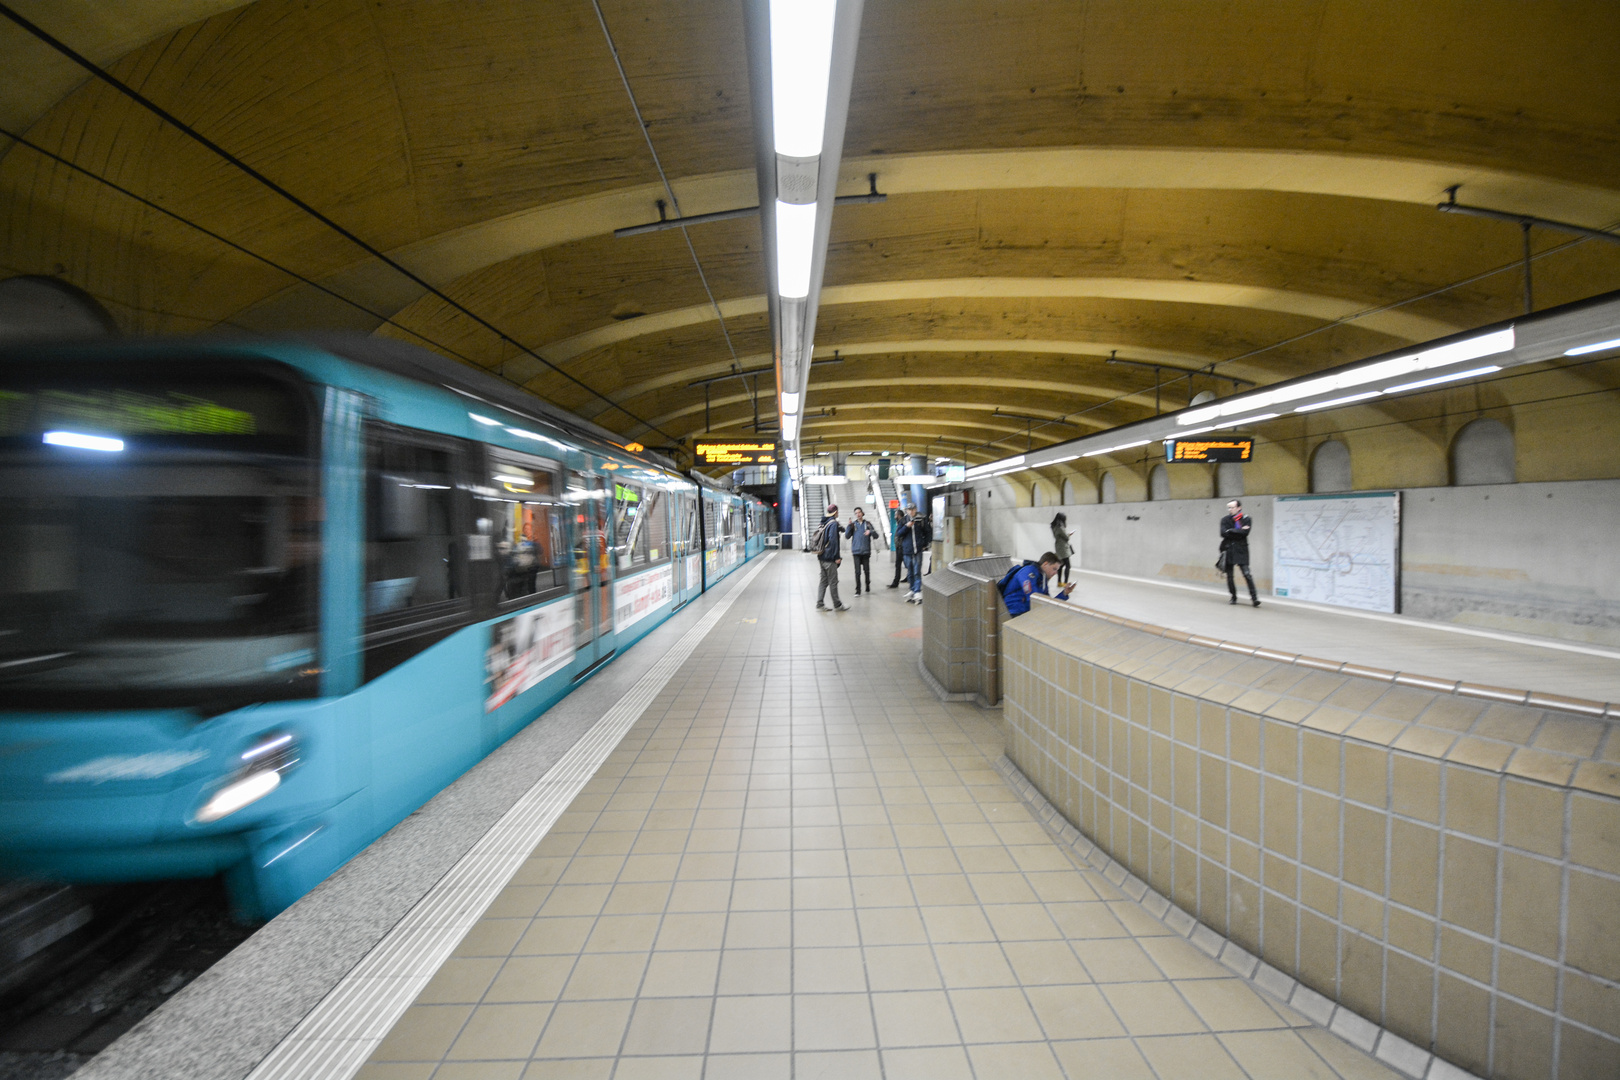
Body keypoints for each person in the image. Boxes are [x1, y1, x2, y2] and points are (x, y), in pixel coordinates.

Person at [1002, 552, 1073, 617]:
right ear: (1045, 564)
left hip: (1025, 612)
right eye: (1054, 569)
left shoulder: (1042, 579)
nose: (1056, 573)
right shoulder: (1028, 572)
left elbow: (1047, 603)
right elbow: (1033, 597)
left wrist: (1064, 593)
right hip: (1013, 613)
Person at [1220, 499, 1261, 607]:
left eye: (1232, 507)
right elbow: (1223, 533)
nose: (1230, 510)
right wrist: (1238, 531)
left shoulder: (1246, 519)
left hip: (1241, 550)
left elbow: (1245, 533)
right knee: (1230, 576)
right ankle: (1233, 597)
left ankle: (1254, 598)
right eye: (1229, 507)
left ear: (1239, 508)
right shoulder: (1225, 520)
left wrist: (1231, 530)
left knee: (1247, 574)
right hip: (1229, 549)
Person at [815, 503, 848, 611]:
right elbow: (833, 541)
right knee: (833, 581)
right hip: (829, 557)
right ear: (835, 512)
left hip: (821, 555)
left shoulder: (824, 522)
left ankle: (819, 604)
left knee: (823, 581)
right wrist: (836, 557)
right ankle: (837, 605)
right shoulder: (833, 523)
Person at [897, 508, 931, 605]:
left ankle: (917, 591)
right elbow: (899, 533)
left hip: (918, 550)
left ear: (915, 510)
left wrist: (924, 544)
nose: (911, 512)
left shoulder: (921, 520)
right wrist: (906, 527)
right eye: (909, 510)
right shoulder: (903, 520)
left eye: (913, 510)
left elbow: (928, 532)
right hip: (907, 550)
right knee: (910, 571)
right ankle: (912, 589)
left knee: (917, 571)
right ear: (906, 511)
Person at [845, 507, 878, 595]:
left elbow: (876, 535)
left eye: (859, 512)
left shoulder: (868, 524)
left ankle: (867, 586)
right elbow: (847, 536)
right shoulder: (853, 525)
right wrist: (849, 526)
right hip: (856, 551)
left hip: (866, 551)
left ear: (862, 513)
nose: (858, 514)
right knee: (857, 572)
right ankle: (858, 590)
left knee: (866, 570)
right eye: (856, 513)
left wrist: (870, 532)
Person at [1050, 512, 1072, 584]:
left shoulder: (1054, 527)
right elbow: (1066, 537)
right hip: (1063, 548)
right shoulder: (1060, 528)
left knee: (1061, 564)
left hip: (1058, 547)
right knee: (1068, 566)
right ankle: (1065, 582)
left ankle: (1059, 582)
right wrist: (1069, 534)